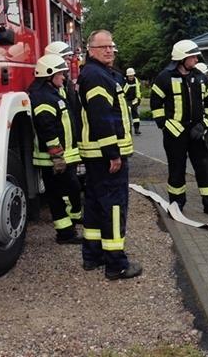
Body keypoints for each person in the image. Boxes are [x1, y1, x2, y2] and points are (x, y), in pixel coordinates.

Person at [77, 30, 141, 280]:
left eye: (112, 46)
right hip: (106, 156)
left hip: (96, 155)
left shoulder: (96, 73)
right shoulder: (96, 76)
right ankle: (116, 264)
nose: (109, 50)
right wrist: (113, 153)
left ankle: (92, 256)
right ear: (91, 50)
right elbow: (101, 117)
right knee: (114, 207)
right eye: (103, 47)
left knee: (93, 204)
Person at [151, 40, 208, 217]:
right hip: (174, 134)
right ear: (182, 58)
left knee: (205, 168)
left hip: (198, 132)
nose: (195, 59)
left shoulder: (200, 77)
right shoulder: (164, 77)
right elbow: (156, 104)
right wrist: (167, 125)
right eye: (192, 56)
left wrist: (205, 124)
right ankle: (177, 204)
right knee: (176, 169)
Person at [29, 54, 83, 244]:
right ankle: (65, 233)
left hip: (61, 156)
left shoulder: (51, 94)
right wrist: (56, 154)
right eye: (61, 74)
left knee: (67, 191)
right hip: (53, 159)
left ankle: (70, 226)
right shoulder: (44, 98)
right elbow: (47, 128)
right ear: (49, 75)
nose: (64, 77)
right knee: (61, 193)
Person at [123, 67, 142, 135]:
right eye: (130, 76)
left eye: (132, 75)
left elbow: (138, 90)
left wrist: (139, 98)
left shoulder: (136, 81)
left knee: (135, 115)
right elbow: (123, 92)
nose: (131, 77)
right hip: (126, 100)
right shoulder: (124, 81)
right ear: (127, 75)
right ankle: (128, 130)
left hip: (134, 100)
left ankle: (136, 129)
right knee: (127, 116)